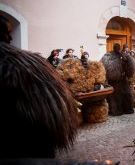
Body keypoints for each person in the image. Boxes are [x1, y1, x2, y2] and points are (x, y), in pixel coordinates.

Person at [0, 15, 79, 158]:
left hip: (32, 137)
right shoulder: (18, 64)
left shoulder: (25, 63)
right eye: (6, 33)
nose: (10, 39)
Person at [101, 43, 135, 115]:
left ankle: (127, 109)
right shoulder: (108, 56)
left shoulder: (122, 55)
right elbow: (106, 68)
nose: (117, 48)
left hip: (122, 79)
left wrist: (127, 74)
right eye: (116, 47)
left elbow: (129, 65)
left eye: (117, 47)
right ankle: (116, 110)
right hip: (114, 81)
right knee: (116, 96)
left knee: (126, 94)